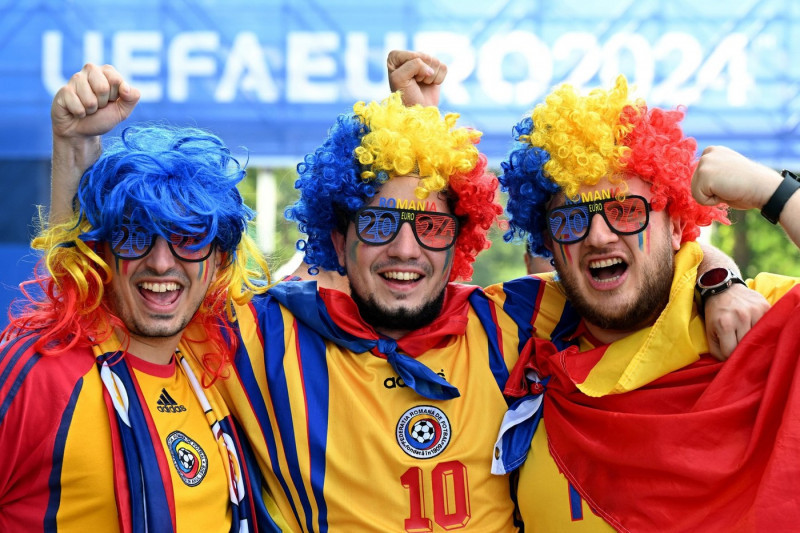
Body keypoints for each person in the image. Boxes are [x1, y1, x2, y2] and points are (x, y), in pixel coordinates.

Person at [47, 60, 764, 533]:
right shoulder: (262, 338)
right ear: (338, 233)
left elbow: (627, 260)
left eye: (428, 224)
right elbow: (109, 296)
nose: (403, 247)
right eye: (379, 222)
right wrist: (74, 150)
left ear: (462, 237)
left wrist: (715, 278)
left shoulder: (512, 321)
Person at [489, 76, 800, 531]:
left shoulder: (759, 316)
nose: (598, 236)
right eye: (572, 219)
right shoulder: (514, 330)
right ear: (551, 249)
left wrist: (774, 194)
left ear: (676, 227)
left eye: (625, 210)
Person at [0, 69, 277, 532]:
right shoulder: (41, 371)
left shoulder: (219, 363)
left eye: (188, 238)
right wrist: (73, 146)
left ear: (218, 257)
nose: (162, 263)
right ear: (103, 251)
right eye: (134, 236)